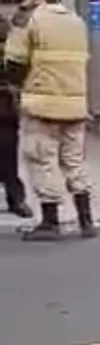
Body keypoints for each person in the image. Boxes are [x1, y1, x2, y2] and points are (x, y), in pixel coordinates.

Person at [4, 0, 95, 240]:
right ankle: (86, 221)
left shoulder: (27, 18)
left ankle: (51, 222)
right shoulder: (74, 19)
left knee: (42, 159)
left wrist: (17, 85)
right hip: (76, 106)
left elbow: (15, 66)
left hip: (42, 105)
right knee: (74, 162)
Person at [0, 14, 32, 218]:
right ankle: (16, 200)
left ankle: (16, 199)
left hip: (5, 110)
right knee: (8, 158)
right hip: (6, 110)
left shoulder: (11, 47)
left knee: (8, 158)